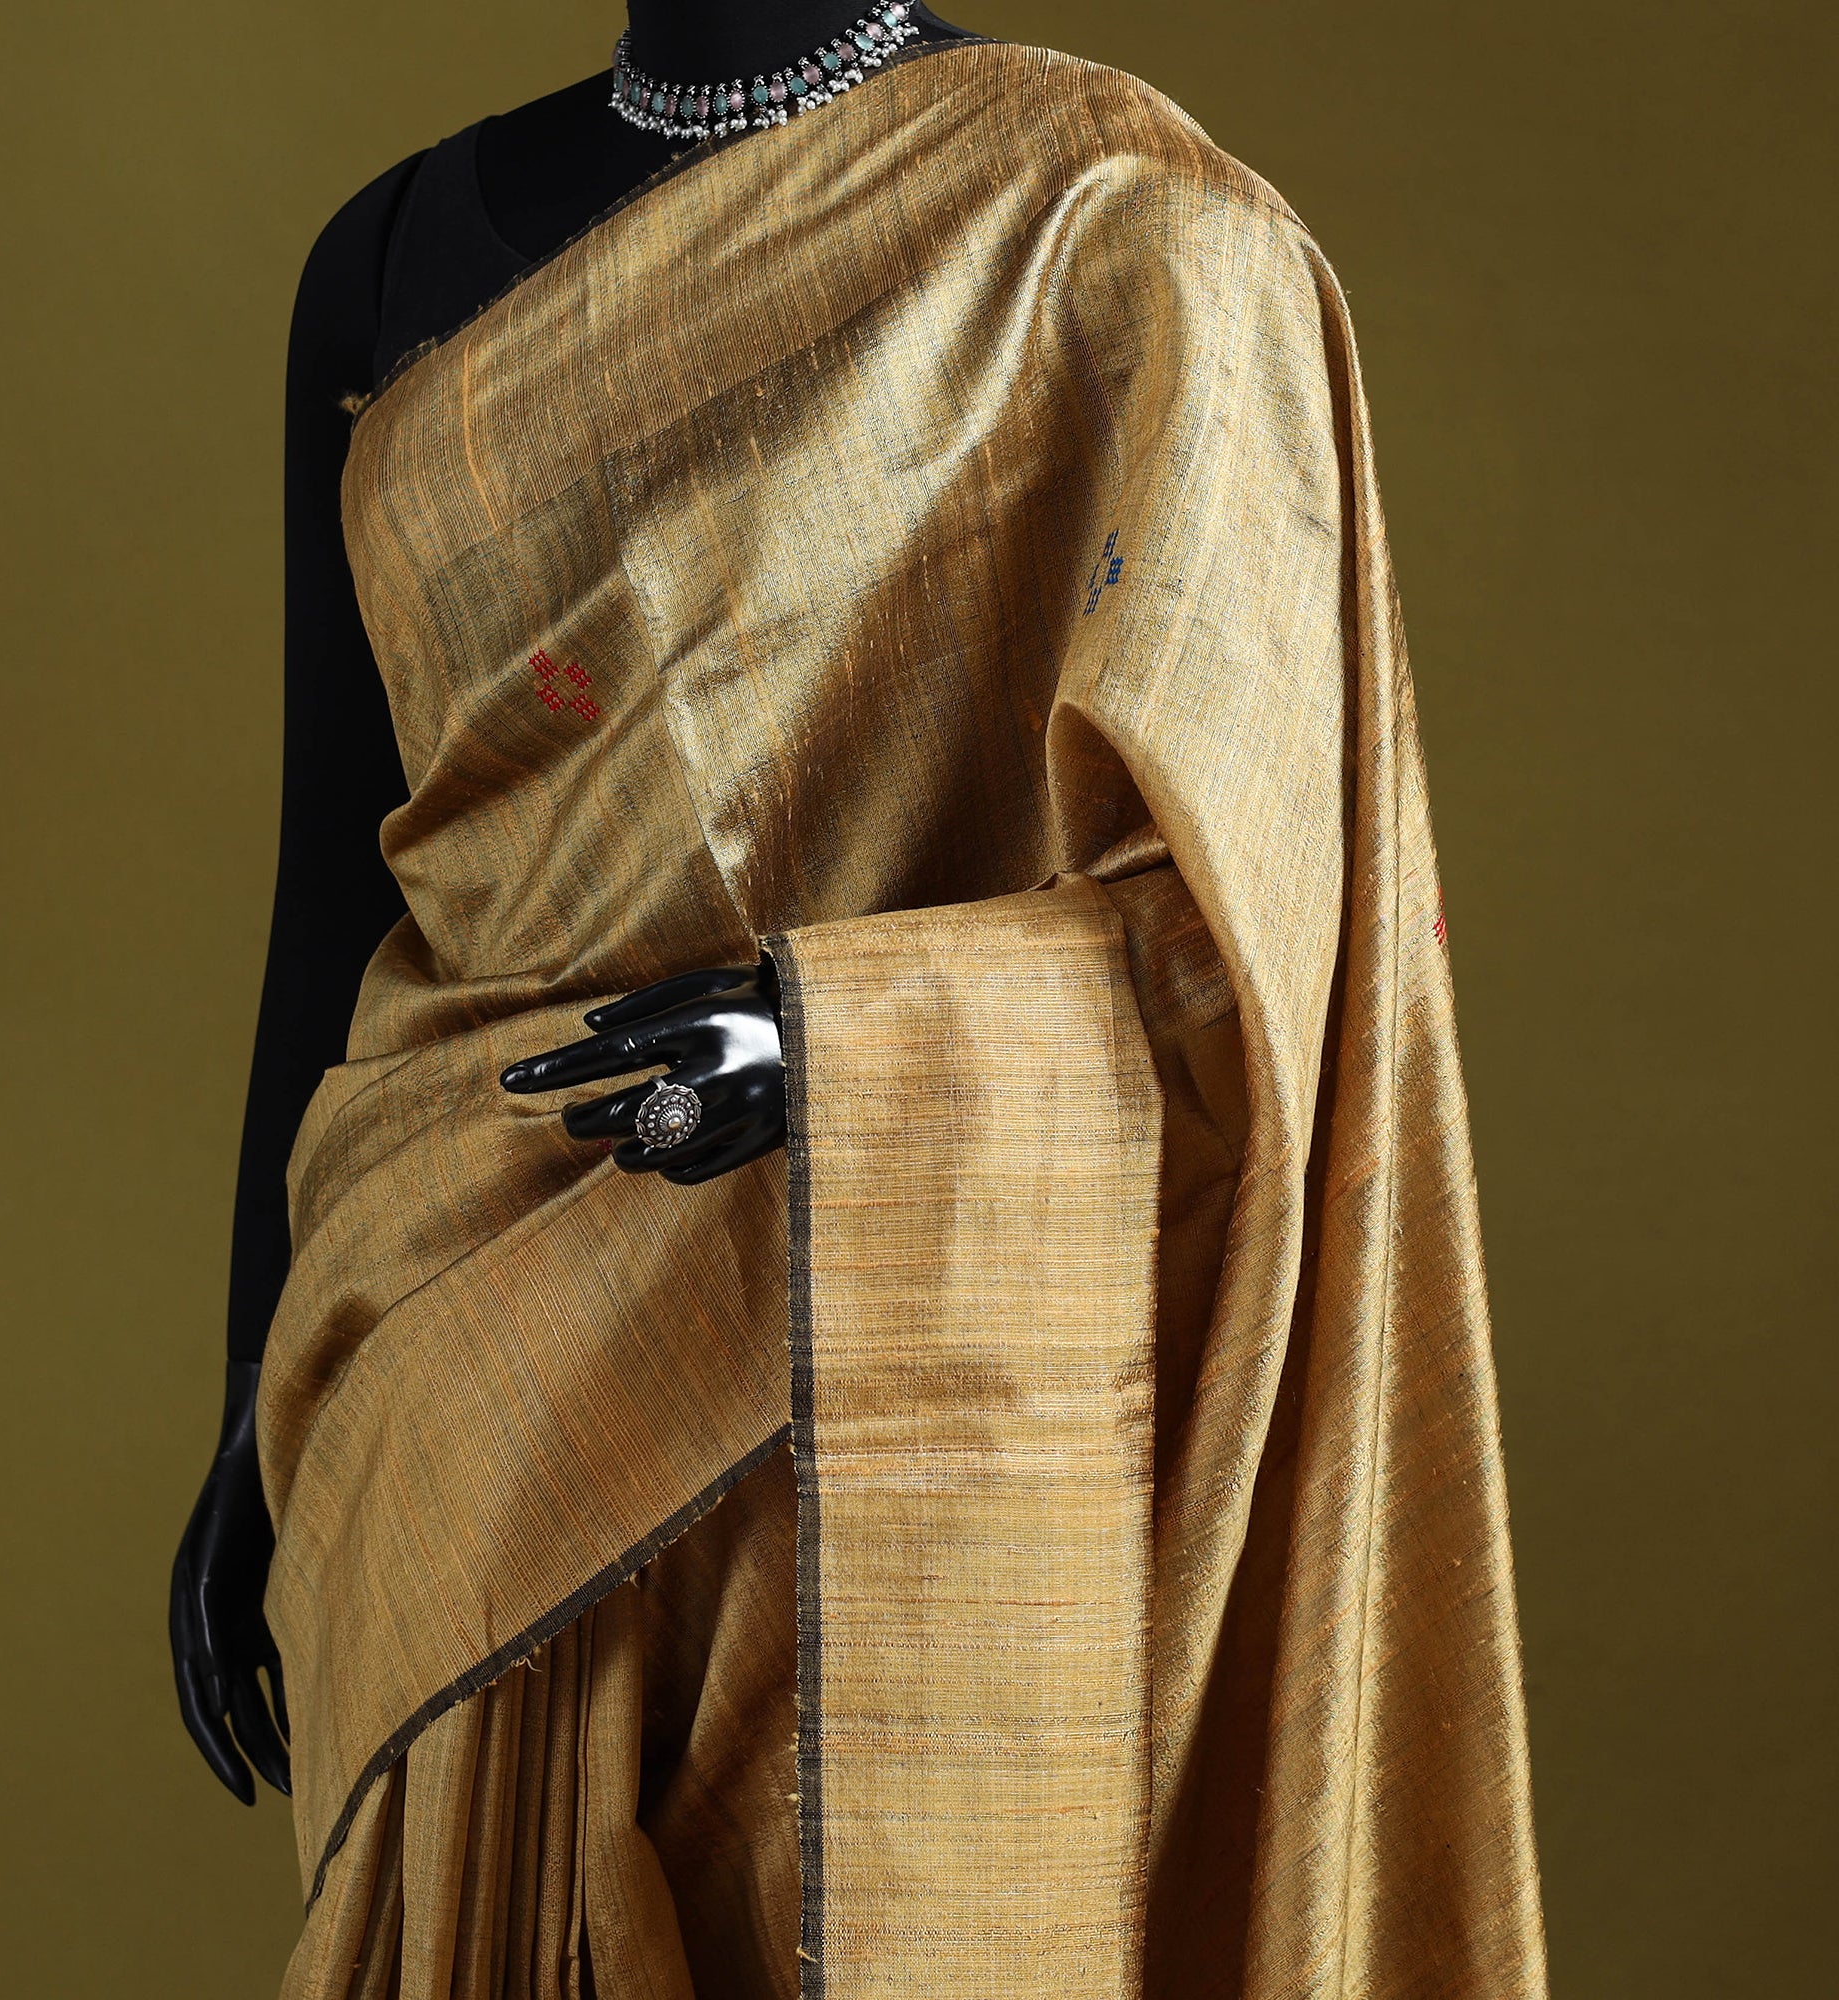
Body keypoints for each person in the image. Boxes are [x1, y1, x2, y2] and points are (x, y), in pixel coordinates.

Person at [171, 7, 1549, 1995]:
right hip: (442, 1340)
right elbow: (336, 884)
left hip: (885, 1366)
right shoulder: (381, 262)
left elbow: (1260, 918)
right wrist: (255, 1385)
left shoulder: (1101, 216)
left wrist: (841, 1043)